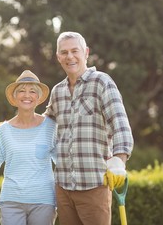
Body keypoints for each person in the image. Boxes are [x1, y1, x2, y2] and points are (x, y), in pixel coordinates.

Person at [43, 31, 134, 225]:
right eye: (64, 52)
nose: (70, 56)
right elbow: (44, 126)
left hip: (94, 185)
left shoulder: (102, 82)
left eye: (75, 51)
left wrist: (119, 161)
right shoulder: (57, 91)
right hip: (63, 187)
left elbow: (120, 125)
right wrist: (12, 127)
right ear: (58, 57)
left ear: (86, 52)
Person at [0, 70, 57, 225]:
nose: (27, 95)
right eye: (21, 91)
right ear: (14, 98)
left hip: (43, 201)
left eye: (32, 91)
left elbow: (63, 162)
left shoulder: (51, 126)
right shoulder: (3, 130)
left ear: (38, 98)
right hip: (11, 202)